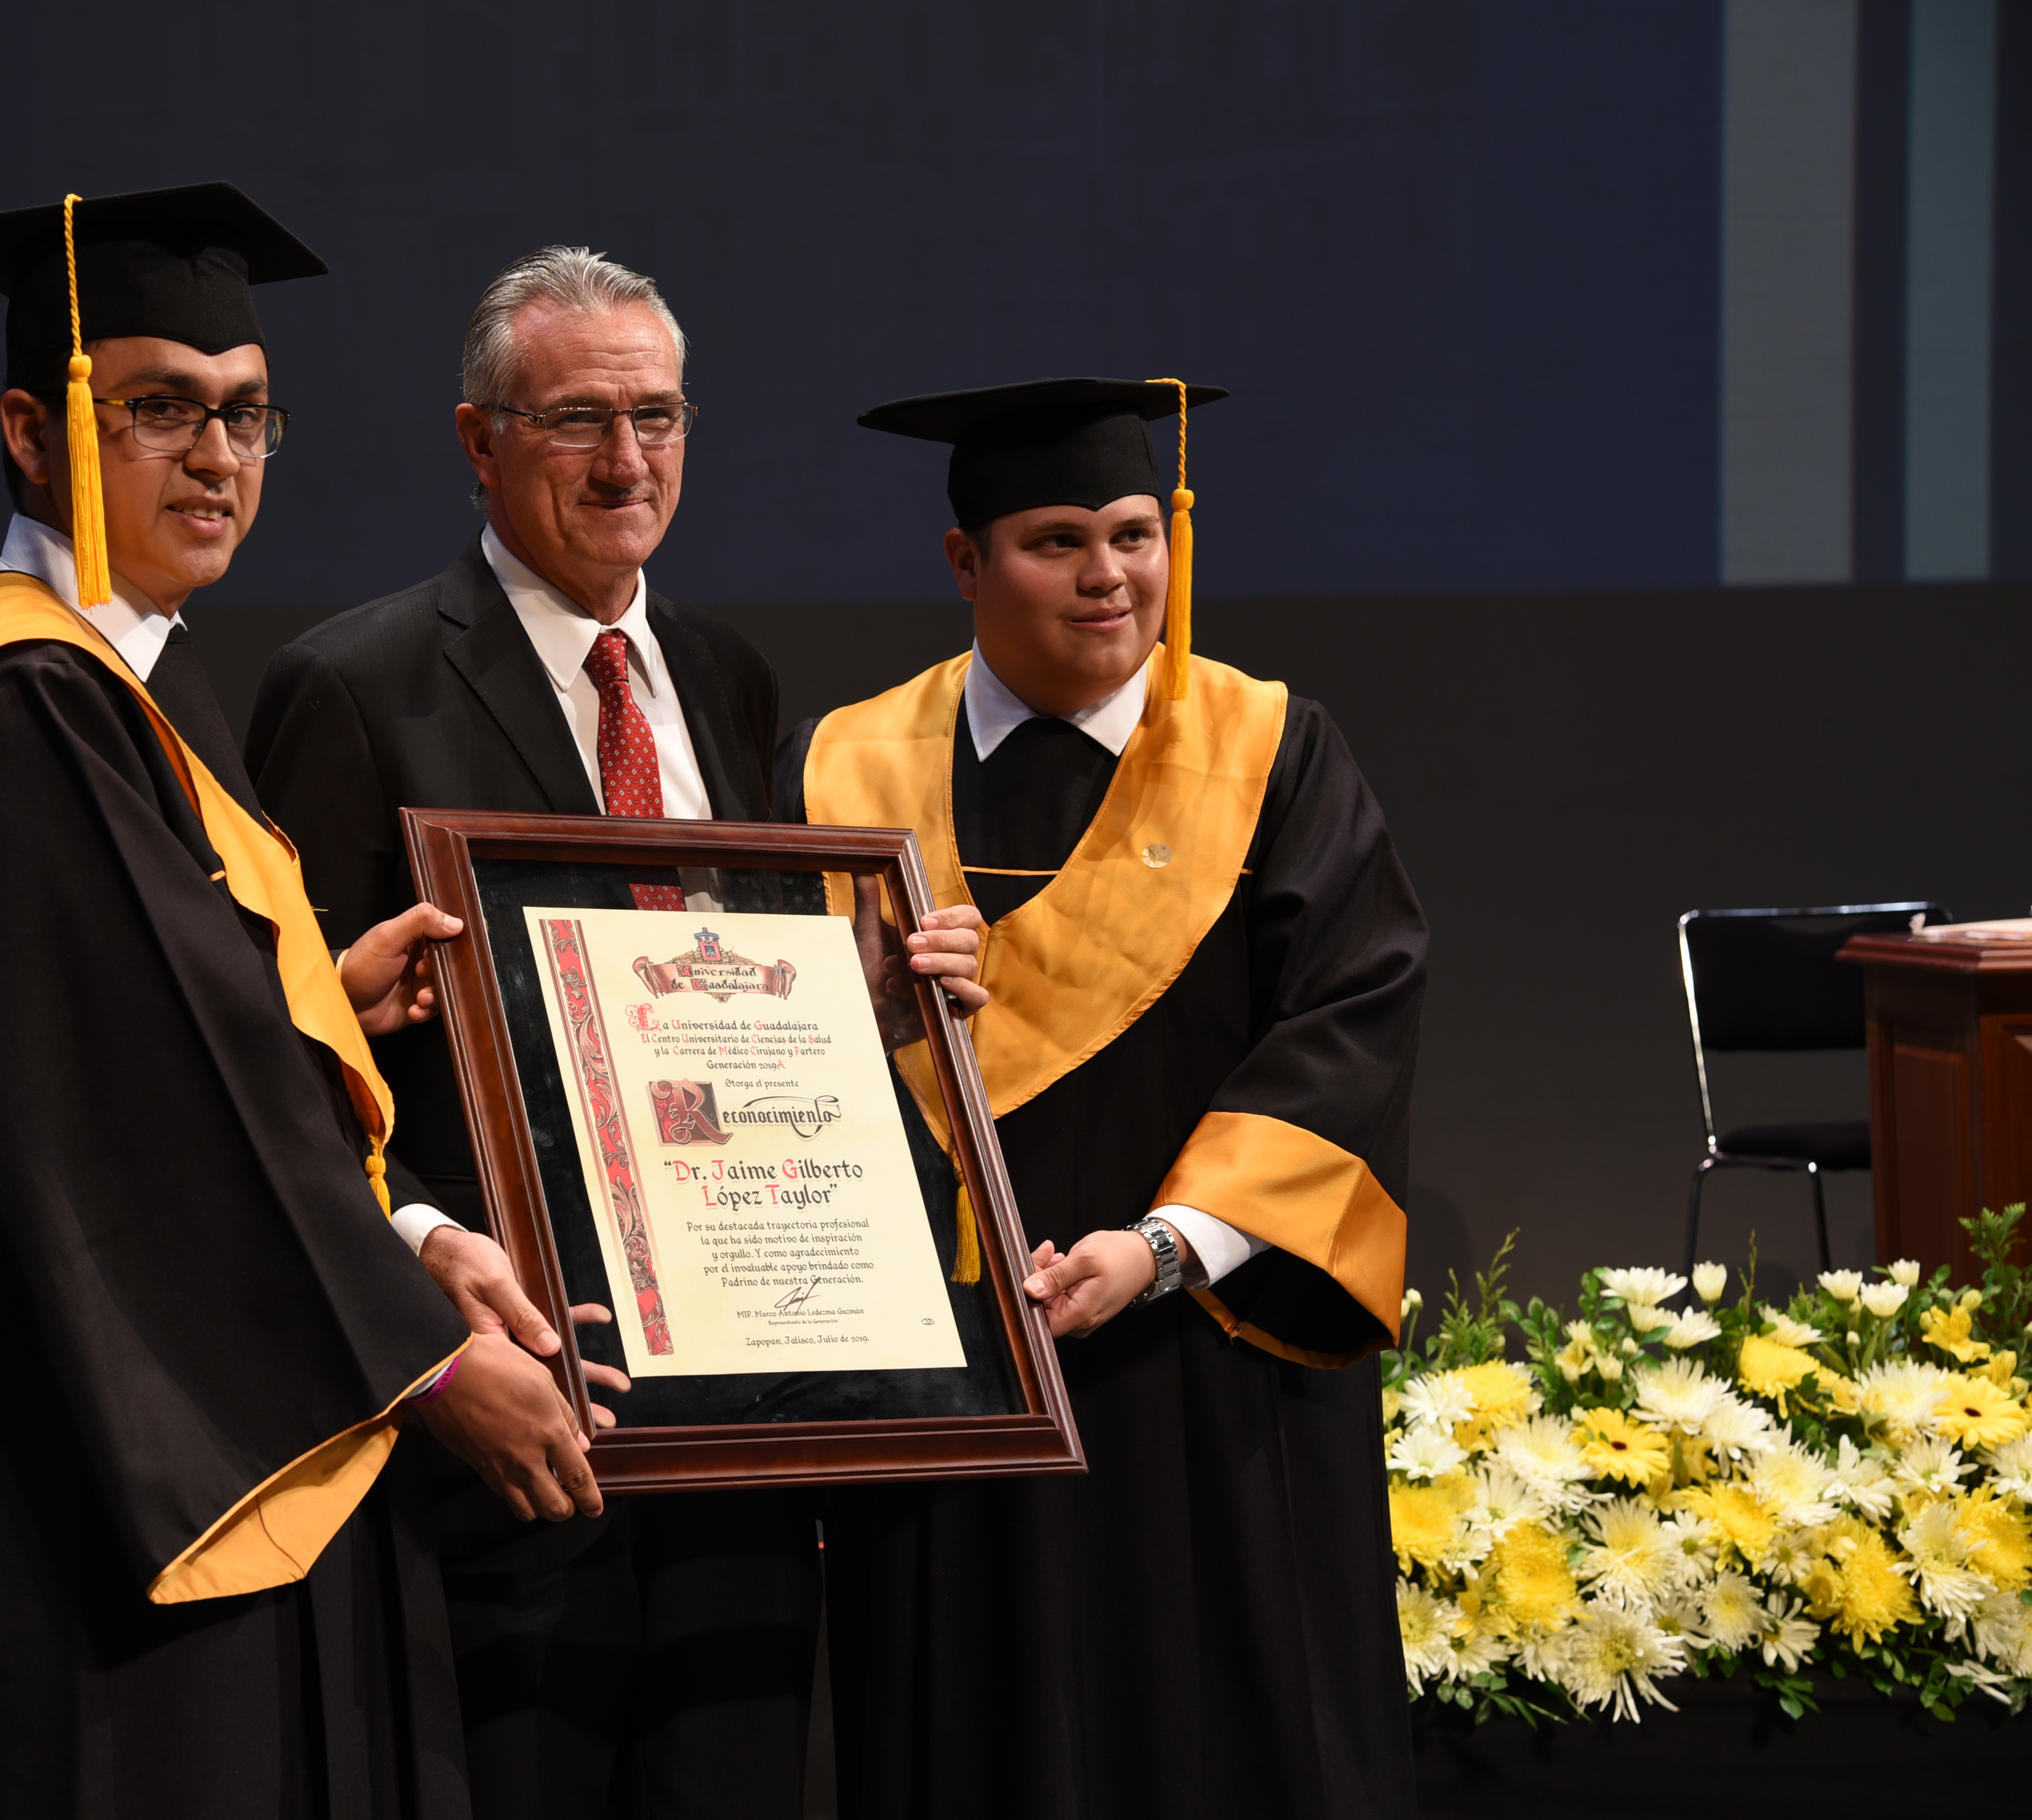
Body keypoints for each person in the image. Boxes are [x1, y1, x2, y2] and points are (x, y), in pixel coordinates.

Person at [0, 183, 600, 1820]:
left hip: (182, 1408)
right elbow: (148, 1121)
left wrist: (324, 1028)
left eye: (244, 415)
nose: (216, 458)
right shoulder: (23, 709)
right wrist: (430, 1359)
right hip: (104, 1468)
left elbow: (180, 1024)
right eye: (157, 409)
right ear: (35, 432)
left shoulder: (142, 683)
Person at [243, 248, 977, 1819]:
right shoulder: (354, 688)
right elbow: (287, 1072)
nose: (627, 460)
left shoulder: (721, 675)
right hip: (512, 1401)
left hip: (734, 1407)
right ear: (478, 440)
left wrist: (870, 1014)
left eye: (656, 416)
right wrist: (432, 1314)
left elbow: (725, 1012)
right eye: (578, 419)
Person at [779, 378, 1427, 1818]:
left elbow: (1350, 1019)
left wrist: (1166, 1246)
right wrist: (868, 1007)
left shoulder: (1273, 753)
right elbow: (759, 1064)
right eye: (1056, 538)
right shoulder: (843, 766)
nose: (1110, 574)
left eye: (1136, 532)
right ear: (965, 563)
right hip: (945, 1369)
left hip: (1203, 1366)